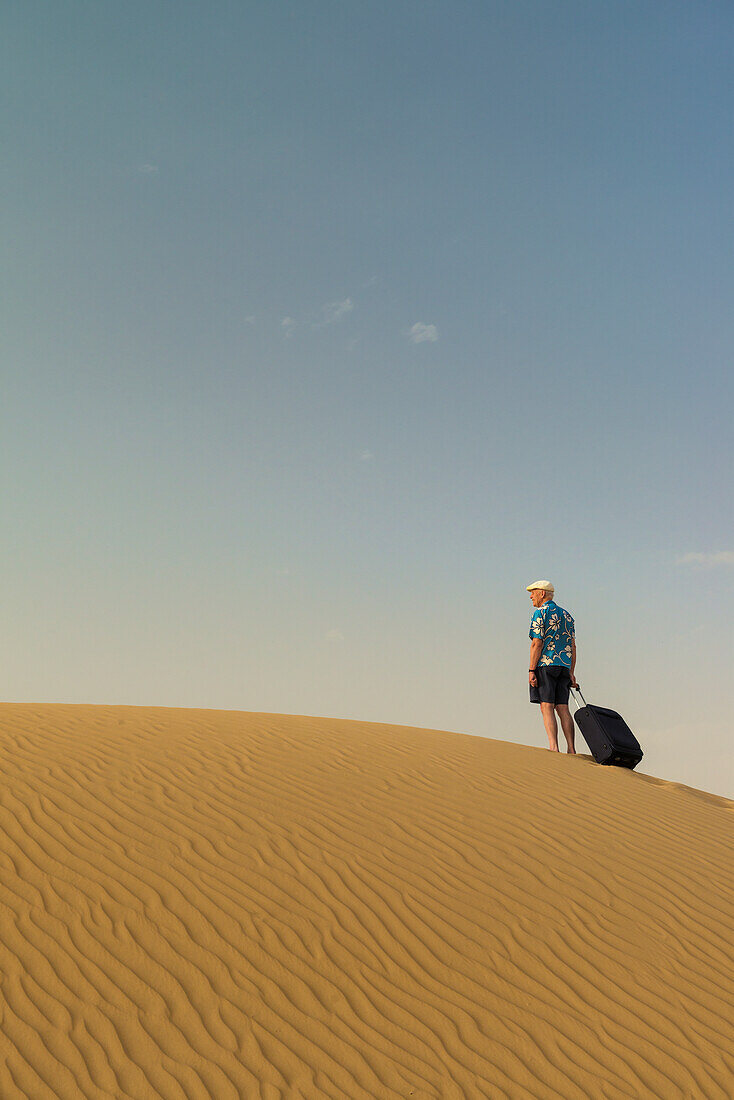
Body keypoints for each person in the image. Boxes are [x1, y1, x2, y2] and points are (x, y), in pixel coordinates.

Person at [526, 580, 579, 753]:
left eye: (533, 593)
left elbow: (537, 643)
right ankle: (571, 748)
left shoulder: (540, 613)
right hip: (564, 666)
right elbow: (572, 646)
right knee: (563, 707)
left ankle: (553, 747)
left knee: (546, 706)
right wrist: (571, 672)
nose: (531, 597)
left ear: (542, 593)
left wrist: (531, 670)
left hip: (546, 664)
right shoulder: (567, 615)